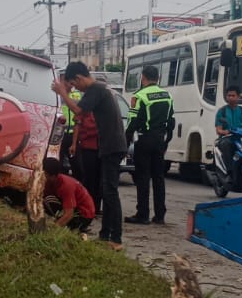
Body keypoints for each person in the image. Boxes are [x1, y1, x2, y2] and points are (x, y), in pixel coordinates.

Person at [52, 63, 127, 249]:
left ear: (78, 78)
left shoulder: (96, 88)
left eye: (74, 84)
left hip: (112, 146)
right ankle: (105, 235)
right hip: (109, 145)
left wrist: (63, 93)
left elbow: (78, 111)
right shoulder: (100, 89)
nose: (76, 88)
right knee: (106, 191)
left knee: (110, 192)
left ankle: (116, 238)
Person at [124, 64, 175, 225]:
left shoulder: (139, 96)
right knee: (159, 177)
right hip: (160, 140)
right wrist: (166, 141)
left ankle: (143, 214)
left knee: (143, 177)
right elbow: (171, 121)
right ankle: (160, 215)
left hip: (144, 140)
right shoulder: (167, 95)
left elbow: (132, 121)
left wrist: (126, 141)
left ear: (143, 77)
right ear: (158, 78)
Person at [41, 158, 96, 232]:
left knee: (49, 200)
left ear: (52, 176)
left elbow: (69, 214)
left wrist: (53, 231)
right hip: (72, 209)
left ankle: (70, 227)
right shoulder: (50, 181)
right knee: (44, 200)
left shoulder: (66, 186)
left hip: (84, 215)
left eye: (43, 174)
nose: (40, 176)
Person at [213, 86, 242, 189]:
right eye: (229, 95)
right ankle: (229, 173)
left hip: (241, 138)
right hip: (227, 138)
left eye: (233, 95)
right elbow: (218, 130)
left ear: (238, 97)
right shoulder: (222, 111)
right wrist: (225, 132)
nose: (230, 97)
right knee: (228, 145)